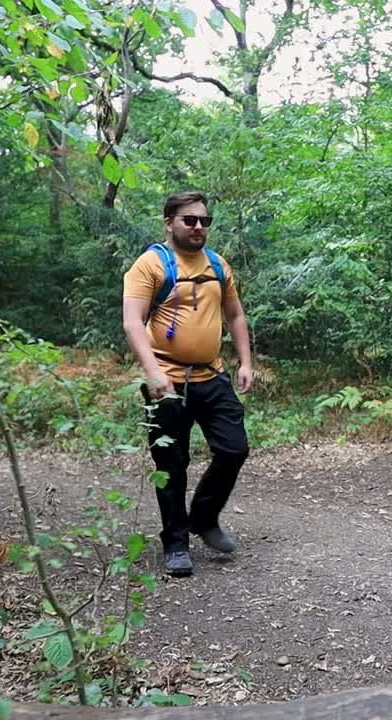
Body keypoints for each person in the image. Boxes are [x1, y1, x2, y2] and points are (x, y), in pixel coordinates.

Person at [122, 191, 255, 578]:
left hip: (211, 376)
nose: (199, 227)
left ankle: (204, 517)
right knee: (172, 463)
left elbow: (235, 314)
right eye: (190, 220)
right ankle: (176, 543)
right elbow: (133, 321)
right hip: (166, 378)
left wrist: (245, 361)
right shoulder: (150, 265)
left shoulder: (217, 264)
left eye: (204, 221)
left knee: (234, 449)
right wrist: (152, 371)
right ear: (169, 222)